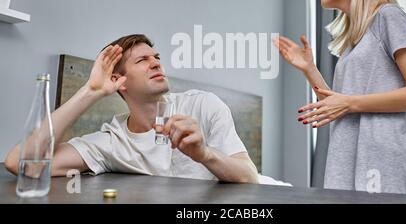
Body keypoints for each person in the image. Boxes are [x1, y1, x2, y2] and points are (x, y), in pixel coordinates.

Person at [273, 0, 406, 195]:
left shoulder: (389, 16)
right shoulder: (354, 43)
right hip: (346, 162)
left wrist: (350, 103)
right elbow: (336, 106)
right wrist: (309, 68)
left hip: (385, 166)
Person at [5, 34, 258, 183]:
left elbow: (250, 177)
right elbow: (23, 164)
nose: (156, 63)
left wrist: (204, 154)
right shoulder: (112, 142)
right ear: (118, 82)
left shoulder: (204, 105)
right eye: (142, 60)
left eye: (156, 57)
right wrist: (90, 92)